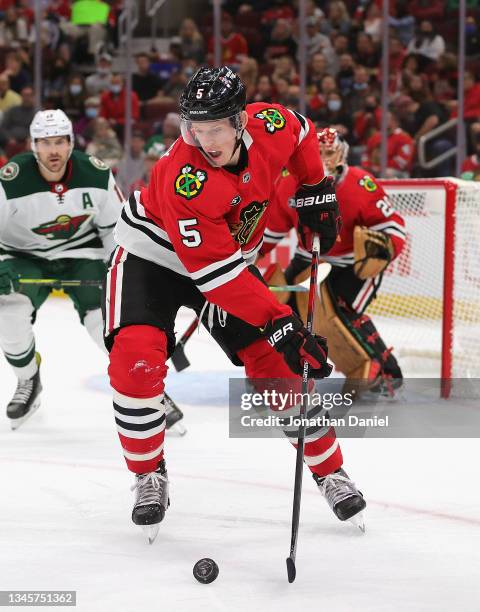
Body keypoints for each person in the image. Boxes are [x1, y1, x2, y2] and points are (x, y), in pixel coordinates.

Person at [103, 66, 366, 542]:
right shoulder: (184, 177)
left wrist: (313, 187)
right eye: (194, 129)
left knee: (276, 369)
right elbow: (217, 277)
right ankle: (148, 474)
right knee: (135, 363)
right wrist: (281, 321)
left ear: (241, 121)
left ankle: (330, 472)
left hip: (225, 260)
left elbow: (302, 132)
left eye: (214, 128)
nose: (203, 140)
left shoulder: (270, 124)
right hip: (154, 256)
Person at [0, 110, 123, 429]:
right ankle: (29, 379)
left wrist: (119, 268)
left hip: (82, 252)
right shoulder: (9, 180)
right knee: (8, 314)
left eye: (59, 142)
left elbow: (116, 229)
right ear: (32, 145)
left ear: (71, 144)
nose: (52, 151)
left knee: (106, 320)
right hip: (22, 255)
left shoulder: (96, 174)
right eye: (44, 143)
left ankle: (140, 387)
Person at [260, 128, 406, 395]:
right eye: (318, 153)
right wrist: (246, 255)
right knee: (280, 307)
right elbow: (270, 232)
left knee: (342, 308)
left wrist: (385, 248)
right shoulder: (287, 184)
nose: (324, 159)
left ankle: (386, 369)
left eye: (329, 153)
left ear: (341, 155)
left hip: (351, 263)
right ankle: (278, 370)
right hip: (308, 257)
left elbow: (393, 226)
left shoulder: (361, 183)